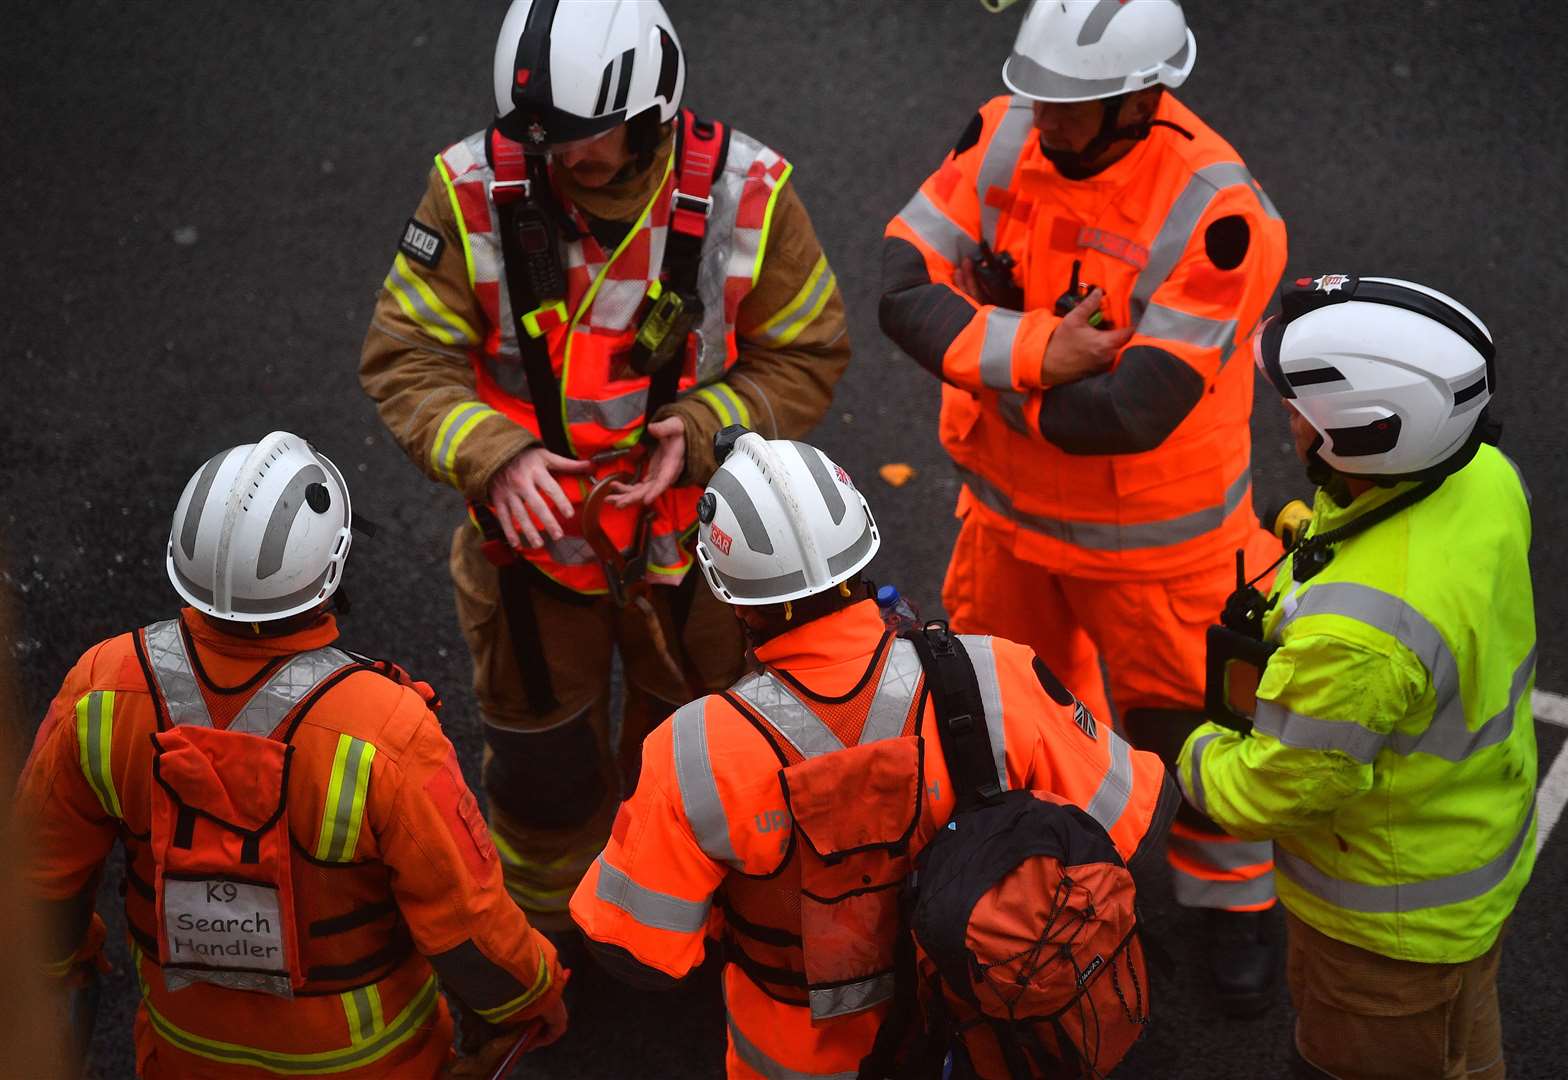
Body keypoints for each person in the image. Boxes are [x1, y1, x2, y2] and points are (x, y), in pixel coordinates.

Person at [358, 0, 849, 949]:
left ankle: (667, 941)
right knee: (541, 782)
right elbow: (405, 353)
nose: (557, 165)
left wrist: (706, 425)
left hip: (703, 556)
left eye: (582, 143)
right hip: (534, 552)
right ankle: (547, 943)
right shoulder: (468, 190)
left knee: (700, 769)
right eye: (537, 142)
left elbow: (805, 355)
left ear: (655, 113)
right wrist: (493, 458)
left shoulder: (753, 193)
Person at [878, 0, 1289, 1009]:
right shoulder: (1004, 130)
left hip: (1161, 556)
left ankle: (1231, 906)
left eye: (1072, 105)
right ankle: (1042, 882)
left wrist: (980, 362)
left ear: (1144, 96)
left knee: (1193, 737)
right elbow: (898, 285)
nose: (1044, 122)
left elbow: (1130, 411)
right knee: (993, 721)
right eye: (1039, 96)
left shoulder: (1215, 213)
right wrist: (1033, 354)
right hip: (1006, 529)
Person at [568, 429, 1177, 1079]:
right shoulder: (993, 675)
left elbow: (635, 951)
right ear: (861, 547)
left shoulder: (694, 750)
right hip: (987, 1036)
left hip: (795, 1061)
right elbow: (1136, 821)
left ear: (732, 595)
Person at [14, 433, 567, 1079]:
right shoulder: (383, 728)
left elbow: (39, 874)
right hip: (373, 1062)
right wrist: (531, 1001)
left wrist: (61, 967)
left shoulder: (102, 685)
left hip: (183, 1052)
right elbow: (465, 924)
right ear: (331, 565)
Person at [1178, 275, 1536, 1080]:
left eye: (1302, 405)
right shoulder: (1483, 479)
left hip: (1382, 926)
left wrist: (1192, 750)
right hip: (1465, 862)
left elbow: (1276, 789)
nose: (1289, 414)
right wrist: (1311, 532)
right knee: (1465, 1054)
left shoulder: (1357, 637)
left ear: (1373, 432)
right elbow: (1414, 558)